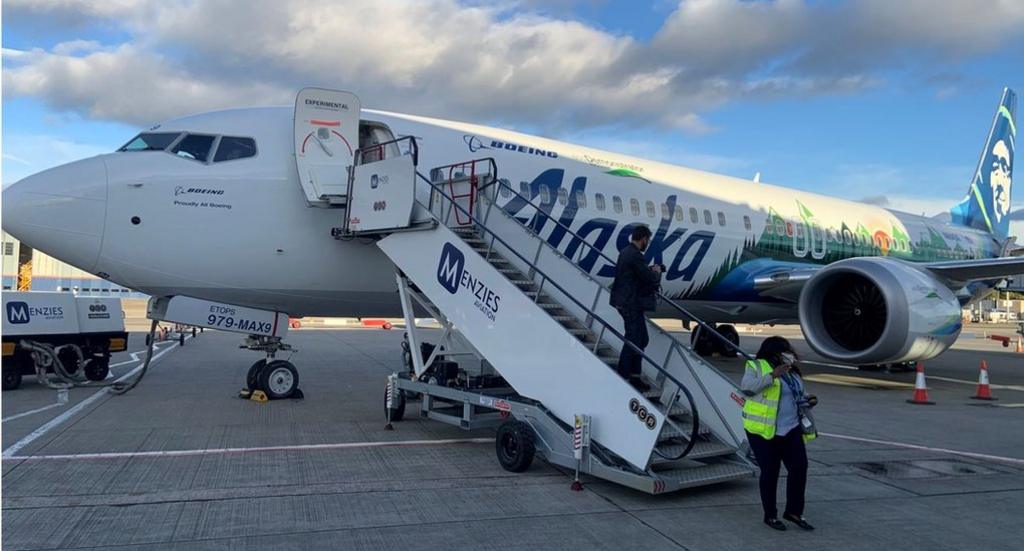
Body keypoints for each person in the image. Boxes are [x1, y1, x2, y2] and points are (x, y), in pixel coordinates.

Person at [741, 336, 818, 531]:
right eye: (785, 351)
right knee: (770, 472)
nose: (789, 354)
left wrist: (808, 400)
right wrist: (772, 376)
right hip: (763, 431)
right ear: (773, 352)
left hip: (790, 428)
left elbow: (798, 395)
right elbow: (747, 389)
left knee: (800, 468)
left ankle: (794, 511)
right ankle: (770, 515)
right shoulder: (756, 366)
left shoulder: (793, 373)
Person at [609, 225, 662, 391]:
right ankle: (624, 377)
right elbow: (649, 280)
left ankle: (634, 376)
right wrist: (657, 272)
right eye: (648, 240)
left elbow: (634, 275)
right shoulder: (635, 255)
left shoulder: (625, 252)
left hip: (626, 301)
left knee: (641, 339)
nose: (648, 243)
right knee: (633, 339)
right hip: (630, 303)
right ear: (644, 238)